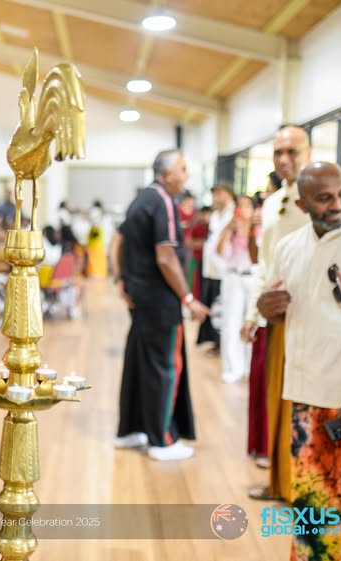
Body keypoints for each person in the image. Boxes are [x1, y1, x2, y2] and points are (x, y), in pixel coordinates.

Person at [259, 162, 341, 561]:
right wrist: (266, 309)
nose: (338, 204)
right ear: (302, 202)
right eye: (325, 198)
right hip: (305, 398)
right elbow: (278, 309)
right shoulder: (289, 247)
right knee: (312, 511)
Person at [112, 149, 208, 461]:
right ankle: (162, 439)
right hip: (159, 300)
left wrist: (121, 279)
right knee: (165, 367)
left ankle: (131, 429)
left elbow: (119, 241)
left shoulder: (141, 199)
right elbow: (166, 257)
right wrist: (188, 298)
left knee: (139, 363)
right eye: (183, 168)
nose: (186, 174)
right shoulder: (164, 201)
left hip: (141, 297)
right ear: (167, 174)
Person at [242, 125, 312, 501]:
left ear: (308, 152)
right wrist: (253, 313)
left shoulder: (320, 198)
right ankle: (280, 482)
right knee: (277, 399)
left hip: (315, 323)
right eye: (278, 153)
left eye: (292, 152)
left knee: (306, 403)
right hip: (278, 319)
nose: (284, 160)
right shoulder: (270, 205)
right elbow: (265, 267)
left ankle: (303, 485)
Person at [215, 195, 256, 383]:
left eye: (247, 206)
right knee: (231, 323)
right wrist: (228, 230)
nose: (243, 210)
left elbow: (257, 256)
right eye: (240, 206)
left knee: (251, 322)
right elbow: (220, 250)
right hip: (233, 276)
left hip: (251, 277)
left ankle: (249, 367)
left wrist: (249, 231)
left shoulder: (257, 229)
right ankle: (233, 367)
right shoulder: (231, 229)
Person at [197, 184, 235, 353]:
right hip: (211, 269)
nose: (215, 199)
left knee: (223, 309)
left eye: (218, 194)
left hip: (225, 270)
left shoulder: (234, 214)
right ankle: (215, 342)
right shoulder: (215, 216)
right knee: (213, 306)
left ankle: (222, 344)